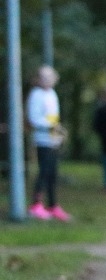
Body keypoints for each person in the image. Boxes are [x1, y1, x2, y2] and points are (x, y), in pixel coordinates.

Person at [26, 65, 70, 221]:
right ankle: (36, 205)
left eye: (50, 76)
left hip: (53, 139)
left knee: (52, 173)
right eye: (43, 77)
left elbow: (53, 117)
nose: (47, 80)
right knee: (43, 172)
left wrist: (57, 131)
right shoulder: (36, 95)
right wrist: (50, 126)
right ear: (38, 79)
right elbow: (34, 119)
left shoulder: (52, 94)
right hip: (42, 140)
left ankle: (53, 205)